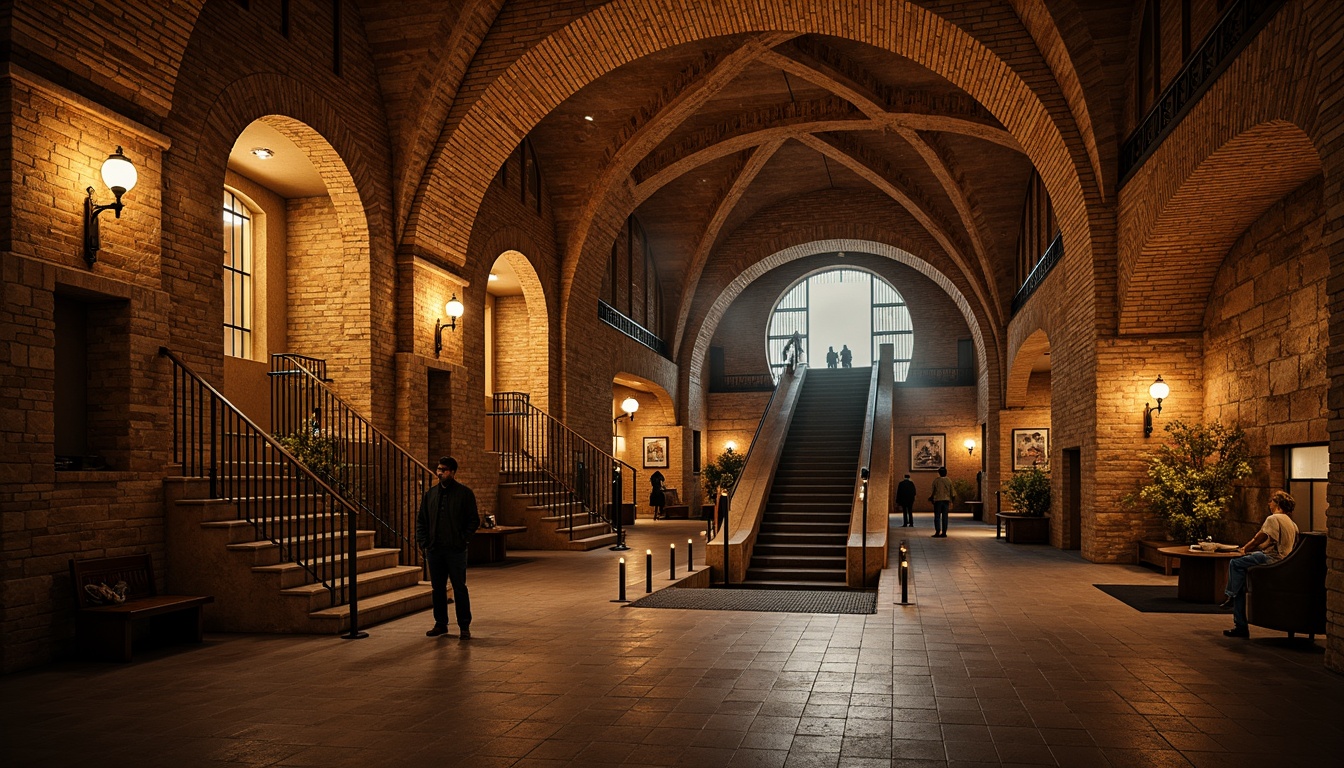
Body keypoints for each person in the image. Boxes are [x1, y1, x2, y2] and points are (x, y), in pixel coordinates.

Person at [415, 456, 480, 639]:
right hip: (435, 549)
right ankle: (440, 623)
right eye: (438, 469)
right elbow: (422, 520)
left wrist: (462, 539)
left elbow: (473, 520)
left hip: (455, 550)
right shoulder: (431, 494)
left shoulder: (464, 494)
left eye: (443, 470)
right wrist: (424, 542)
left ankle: (464, 625)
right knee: (438, 588)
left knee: (459, 587)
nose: (439, 472)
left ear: (452, 472)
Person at [1219, 490, 1299, 638]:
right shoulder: (1292, 524)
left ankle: (1230, 594)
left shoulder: (1273, 519)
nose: (1268, 504)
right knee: (1241, 582)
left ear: (1277, 504)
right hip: (1284, 562)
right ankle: (1239, 620)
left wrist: (1244, 549)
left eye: (1271, 501)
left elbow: (1258, 539)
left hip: (1272, 558)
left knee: (1235, 563)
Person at [930, 466, 953, 537]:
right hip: (946, 500)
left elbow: (933, 491)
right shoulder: (949, 481)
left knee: (937, 516)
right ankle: (944, 532)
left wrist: (931, 498)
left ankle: (937, 531)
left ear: (939, 473)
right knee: (945, 517)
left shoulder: (936, 481)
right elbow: (952, 492)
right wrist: (951, 500)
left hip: (938, 500)